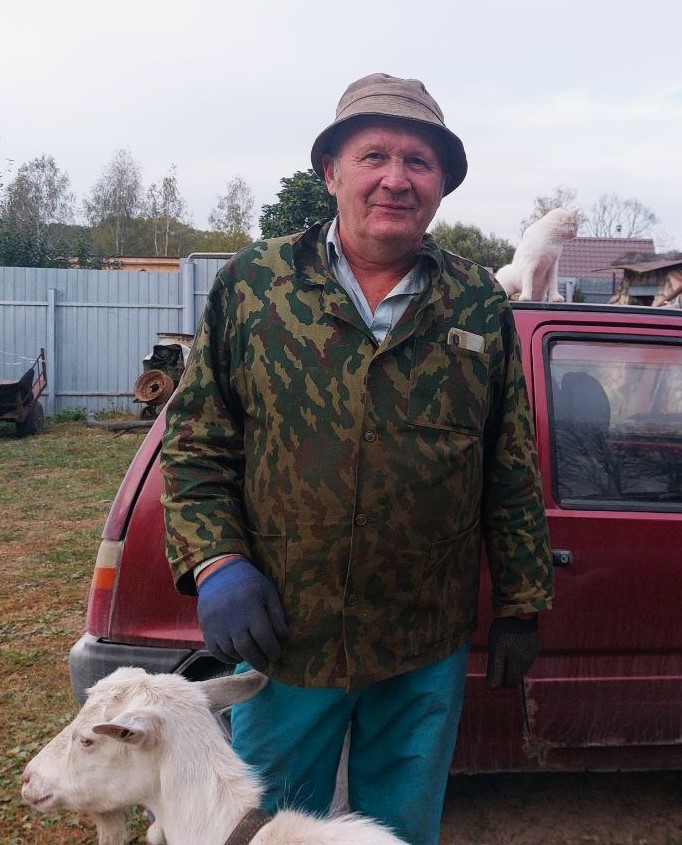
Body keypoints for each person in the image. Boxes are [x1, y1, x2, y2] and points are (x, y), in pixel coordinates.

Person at [161, 72, 553, 845]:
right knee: (267, 827)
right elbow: (198, 439)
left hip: (421, 636)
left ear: (441, 184)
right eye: (374, 154)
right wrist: (216, 562)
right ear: (331, 170)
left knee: (395, 831)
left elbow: (508, 464)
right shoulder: (253, 287)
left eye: (420, 161)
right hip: (286, 631)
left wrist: (522, 598)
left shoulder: (476, 302)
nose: (396, 179)